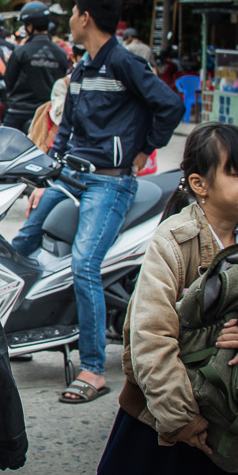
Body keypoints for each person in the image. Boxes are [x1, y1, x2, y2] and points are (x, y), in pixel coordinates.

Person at [11, 0, 185, 404]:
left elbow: (171, 106)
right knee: (20, 245)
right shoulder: (83, 69)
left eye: (72, 12)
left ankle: (92, 368)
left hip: (110, 183)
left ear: (85, 17)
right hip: (70, 176)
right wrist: (47, 178)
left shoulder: (124, 61)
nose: (70, 18)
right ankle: (21, 334)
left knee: (84, 265)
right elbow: (66, 129)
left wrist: (145, 148)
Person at [97, 122, 238, 475]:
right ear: (198, 184)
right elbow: (150, 337)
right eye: (235, 174)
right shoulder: (175, 240)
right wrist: (181, 420)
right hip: (169, 415)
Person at [2, 2, 69, 133]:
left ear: (30, 25)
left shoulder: (21, 52)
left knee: (4, 151)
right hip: (47, 114)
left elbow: (9, 81)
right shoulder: (61, 53)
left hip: (18, 113)